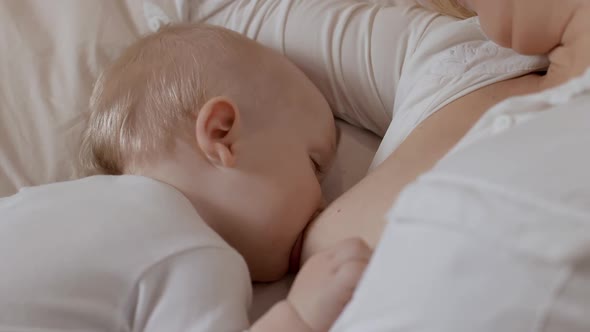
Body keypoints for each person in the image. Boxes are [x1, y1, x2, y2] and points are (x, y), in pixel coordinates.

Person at [0, 24, 371, 332]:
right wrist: (300, 316)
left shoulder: (47, 202)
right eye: (314, 164)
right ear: (223, 134)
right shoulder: (193, 250)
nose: (324, 203)